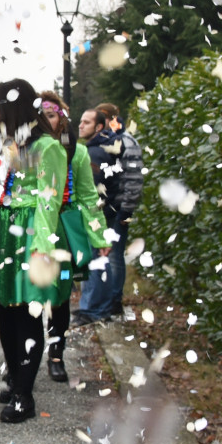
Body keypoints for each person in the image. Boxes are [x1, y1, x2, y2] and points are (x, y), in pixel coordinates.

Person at [0, 79, 71, 422]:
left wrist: (42, 248)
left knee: (28, 313)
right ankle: (16, 378)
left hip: (30, 235)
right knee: (5, 311)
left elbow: (49, 203)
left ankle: (24, 395)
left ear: (13, 108)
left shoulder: (49, 148)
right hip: (4, 234)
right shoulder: (8, 145)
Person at [40, 92, 108, 381]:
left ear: (61, 119)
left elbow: (88, 196)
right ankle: (22, 362)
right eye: (40, 115)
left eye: (51, 114)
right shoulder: (24, 149)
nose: (46, 120)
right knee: (25, 297)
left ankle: (56, 354)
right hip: (31, 230)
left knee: (60, 298)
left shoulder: (77, 152)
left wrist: (99, 235)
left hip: (62, 233)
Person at [72, 108, 124, 326]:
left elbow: (91, 189)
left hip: (99, 213)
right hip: (108, 210)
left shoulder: (95, 152)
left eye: (86, 122)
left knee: (97, 258)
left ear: (99, 127)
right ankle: (98, 306)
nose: (80, 125)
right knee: (101, 258)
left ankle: (93, 309)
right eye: (80, 121)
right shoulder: (101, 147)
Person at [95, 102, 144, 317]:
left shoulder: (125, 141)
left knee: (115, 256)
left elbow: (133, 178)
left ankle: (114, 300)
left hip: (119, 209)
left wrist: (126, 210)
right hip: (106, 209)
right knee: (107, 254)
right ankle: (106, 299)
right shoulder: (108, 141)